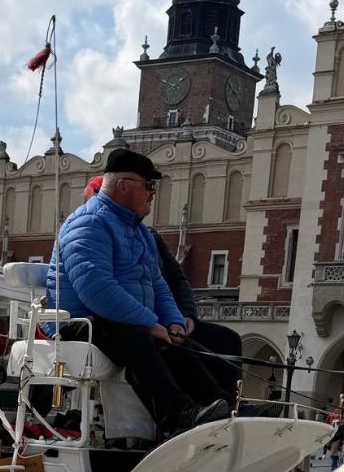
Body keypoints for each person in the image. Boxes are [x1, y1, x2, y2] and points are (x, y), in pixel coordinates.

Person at [50, 148, 229, 438]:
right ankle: (177, 417)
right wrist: (149, 322)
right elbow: (97, 289)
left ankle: (222, 407)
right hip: (79, 321)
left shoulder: (139, 231)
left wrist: (173, 322)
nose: (153, 194)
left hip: (119, 321)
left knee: (179, 345)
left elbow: (158, 283)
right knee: (137, 338)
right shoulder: (88, 222)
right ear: (123, 185)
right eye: (149, 186)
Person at [83, 175, 242, 405]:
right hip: (126, 322)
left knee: (225, 340)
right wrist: (149, 321)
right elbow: (107, 288)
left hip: (164, 319)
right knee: (161, 345)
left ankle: (229, 405)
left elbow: (176, 280)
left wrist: (185, 316)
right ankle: (198, 410)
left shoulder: (150, 237)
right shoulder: (94, 232)